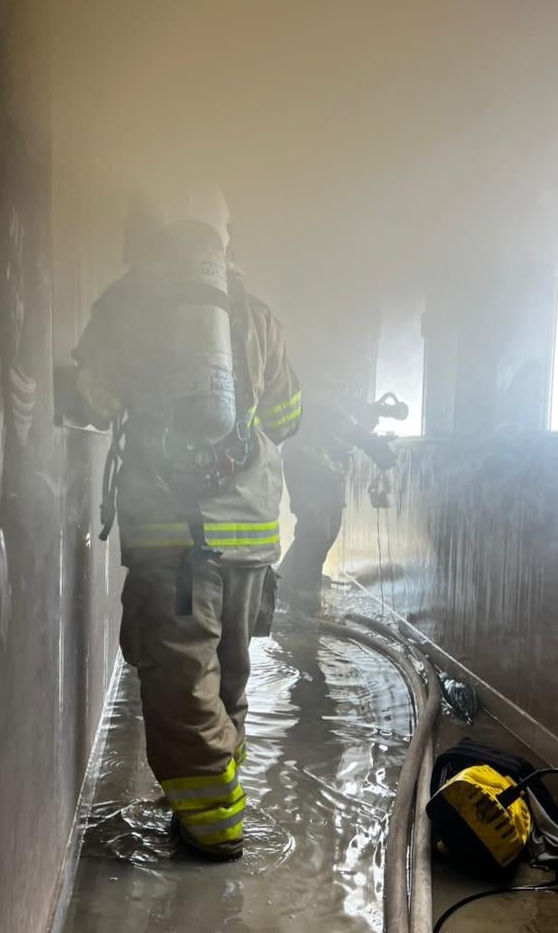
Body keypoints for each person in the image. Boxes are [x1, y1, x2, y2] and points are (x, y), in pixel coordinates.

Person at [68, 180, 301, 860]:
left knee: (180, 686)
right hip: (253, 539)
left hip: (174, 540)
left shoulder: (128, 304)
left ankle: (213, 832)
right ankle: (221, 802)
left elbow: (92, 398)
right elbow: (288, 419)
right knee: (228, 678)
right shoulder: (255, 314)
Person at [279, 381, 406, 614]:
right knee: (315, 531)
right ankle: (304, 605)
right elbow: (360, 436)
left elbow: (352, 437)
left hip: (325, 476)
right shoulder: (332, 413)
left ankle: (284, 584)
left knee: (326, 530)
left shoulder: (335, 417)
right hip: (306, 472)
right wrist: (386, 459)